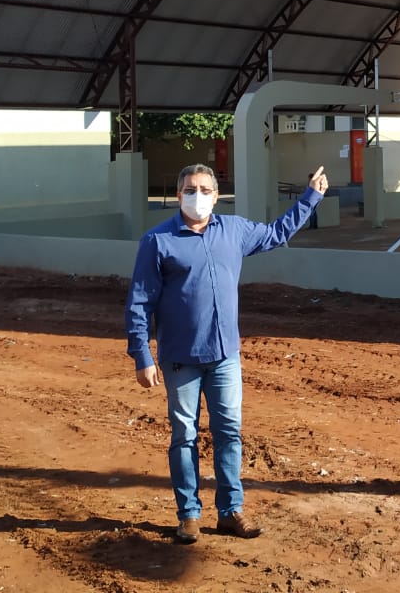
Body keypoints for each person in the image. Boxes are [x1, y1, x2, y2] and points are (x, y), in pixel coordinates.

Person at [125, 162, 328, 543]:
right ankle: (188, 516)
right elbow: (139, 301)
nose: (196, 196)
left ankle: (230, 511)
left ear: (216, 196)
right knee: (184, 435)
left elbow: (277, 233)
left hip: (224, 357)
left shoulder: (234, 230)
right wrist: (142, 355)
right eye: (189, 189)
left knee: (229, 433)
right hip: (179, 359)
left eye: (204, 189)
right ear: (178, 194)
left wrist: (311, 196)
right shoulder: (157, 240)